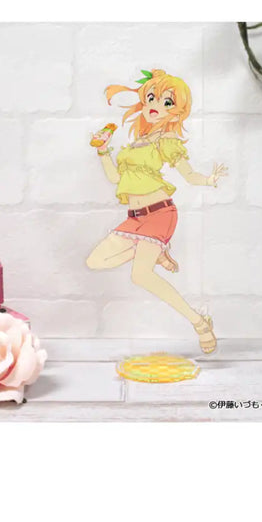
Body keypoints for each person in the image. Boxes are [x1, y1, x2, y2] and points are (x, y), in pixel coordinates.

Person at [86, 69, 227, 354]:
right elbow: (115, 178)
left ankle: (200, 323)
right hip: (134, 219)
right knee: (96, 261)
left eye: (167, 102)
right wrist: (103, 151)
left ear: (176, 112)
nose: (155, 105)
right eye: (151, 98)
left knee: (140, 276)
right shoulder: (135, 144)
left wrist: (209, 180)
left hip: (159, 213)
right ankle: (155, 250)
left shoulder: (166, 140)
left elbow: (188, 175)